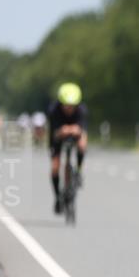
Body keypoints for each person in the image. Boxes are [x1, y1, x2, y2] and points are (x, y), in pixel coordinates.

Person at [47, 82, 88, 214]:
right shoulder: (54, 111)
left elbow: (81, 129)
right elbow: (55, 133)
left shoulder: (82, 110)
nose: (69, 109)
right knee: (55, 167)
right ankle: (58, 196)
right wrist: (64, 131)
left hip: (74, 132)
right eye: (66, 106)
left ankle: (79, 171)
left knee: (82, 144)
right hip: (57, 135)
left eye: (72, 106)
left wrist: (73, 130)